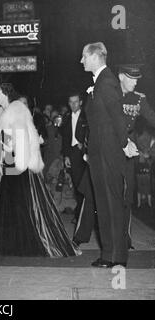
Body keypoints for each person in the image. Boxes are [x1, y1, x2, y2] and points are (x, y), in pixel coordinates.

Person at [0, 82, 80, 257]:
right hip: (12, 163)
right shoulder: (6, 112)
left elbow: (19, 140)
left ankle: (21, 244)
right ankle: (13, 244)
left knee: (21, 206)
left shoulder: (15, 111)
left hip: (18, 164)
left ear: (6, 94)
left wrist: (7, 152)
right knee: (14, 206)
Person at [74, 64, 155, 246]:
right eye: (132, 78)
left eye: (137, 79)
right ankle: (80, 236)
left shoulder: (139, 100)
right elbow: (88, 124)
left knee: (126, 194)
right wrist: (87, 150)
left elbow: (151, 117)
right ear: (121, 77)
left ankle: (124, 239)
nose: (135, 82)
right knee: (91, 192)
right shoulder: (103, 92)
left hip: (126, 152)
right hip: (102, 150)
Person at [80, 42, 138, 268]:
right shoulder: (101, 82)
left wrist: (124, 143)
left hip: (108, 153)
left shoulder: (106, 82)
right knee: (103, 204)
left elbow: (117, 116)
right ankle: (108, 254)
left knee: (112, 204)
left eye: (84, 56)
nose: (81, 61)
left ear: (95, 56)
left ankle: (117, 257)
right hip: (99, 153)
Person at [61, 92, 88, 224]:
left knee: (86, 186)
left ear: (81, 102)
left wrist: (84, 145)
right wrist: (66, 156)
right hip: (72, 154)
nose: (73, 105)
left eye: (76, 102)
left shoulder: (87, 116)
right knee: (77, 186)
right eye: (71, 102)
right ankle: (79, 215)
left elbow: (92, 133)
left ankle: (85, 216)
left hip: (85, 154)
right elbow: (65, 139)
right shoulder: (66, 117)